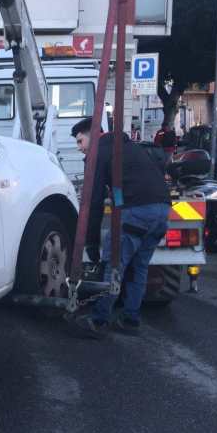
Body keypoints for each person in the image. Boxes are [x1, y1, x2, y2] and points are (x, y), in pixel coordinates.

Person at [71, 116, 171, 339]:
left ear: (93, 135)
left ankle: (99, 320)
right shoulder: (129, 147)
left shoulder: (98, 153)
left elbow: (94, 201)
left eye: (80, 141)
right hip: (162, 210)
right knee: (139, 267)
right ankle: (130, 319)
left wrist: (91, 243)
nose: (79, 148)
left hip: (136, 210)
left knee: (114, 266)